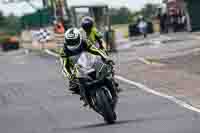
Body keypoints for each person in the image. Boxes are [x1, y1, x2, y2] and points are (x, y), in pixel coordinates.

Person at [59, 28, 118, 105]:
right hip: (76, 67)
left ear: (79, 38)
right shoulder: (63, 51)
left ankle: (114, 92)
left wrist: (107, 58)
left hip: (89, 62)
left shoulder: (85, 42)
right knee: (73, 85)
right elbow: (64, 66)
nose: (72, 43)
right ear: (66, 41)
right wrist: (70, 75)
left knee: (106, 71)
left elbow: (96, 50)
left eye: (74, 41)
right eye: (70, 42)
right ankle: (84, 97)